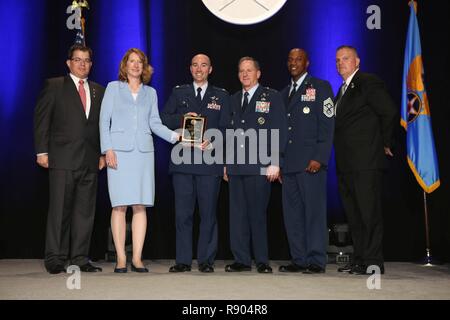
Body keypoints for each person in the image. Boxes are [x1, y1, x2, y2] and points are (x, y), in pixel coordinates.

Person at [99, 48, 179, 273]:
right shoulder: (113, 88)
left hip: (143, 154)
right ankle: (121, 258)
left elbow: (155, 123)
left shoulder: (150, 93)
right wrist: (107, 150)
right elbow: (104, 121)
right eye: (131, 61)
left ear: (145, 67)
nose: (135, 65)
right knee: (119, 206)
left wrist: (177, 136)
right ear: (125, 65)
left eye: (139, 62)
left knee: (140, 206)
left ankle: (137, 258)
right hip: (119, 154)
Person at [34, 44, 105, 274]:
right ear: (68, 63)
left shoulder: (98, 90)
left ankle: (80, 258)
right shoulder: (54, 86)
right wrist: (41, 151)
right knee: (59, 211)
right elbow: (42, 120)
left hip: (90, 160)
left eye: (86, 60)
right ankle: (55, 258)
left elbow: (102, 126)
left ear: (91, 64)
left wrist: (103, 153)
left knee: (85, 213)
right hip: (62, 158)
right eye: (78, 59)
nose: (82, 64)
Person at [161, 54, 230, 273]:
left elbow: (228, 126)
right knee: (183, 214)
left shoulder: (221, 95)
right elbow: (163, 118)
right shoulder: (179, 92)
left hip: (209, 162)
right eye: (194, 65)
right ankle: (182, 260)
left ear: (210, 69)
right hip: (182, 162)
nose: (199, 69)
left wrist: (214, 139)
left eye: (203, 65)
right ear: (190, 69)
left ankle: (206, 260)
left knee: (208, 214)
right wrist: (182, 118)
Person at [334, 45, 397, 275]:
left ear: (357, 61)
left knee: (369, 213)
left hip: (366, 162)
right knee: (354, 214)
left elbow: (388, 111)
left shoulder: (368, 82)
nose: (341, 63)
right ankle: (360, 259)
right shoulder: (341, 91)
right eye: (338, 60)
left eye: (346, 58)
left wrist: (386, 142)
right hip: (346, 164)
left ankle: (373, 262)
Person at [224, 57, 287, 273]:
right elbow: (227, 134)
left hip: (261, 166)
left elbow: (279, 129)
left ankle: (261, 260)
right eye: (241, 71)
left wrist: (276, 161)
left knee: (257, 214)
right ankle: (241, 259)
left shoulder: (271, 97)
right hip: (236, 166)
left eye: (249, 70)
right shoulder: (232, 99)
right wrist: (225, 163)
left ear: (258, 73)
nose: (245, 74)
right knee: (237, 215)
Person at [279, 48, 335, 274]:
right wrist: (279, 162)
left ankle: (316, 259)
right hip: (289, 164)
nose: (294, 63)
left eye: (298, 59)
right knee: (292, 215)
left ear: (307, 63)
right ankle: (299, 258)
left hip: (310, 163)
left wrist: (320, 157)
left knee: (313, 213)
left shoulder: (320, 87)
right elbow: (281, 131)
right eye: (291, 59)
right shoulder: (283, 94)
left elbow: (327, 125)